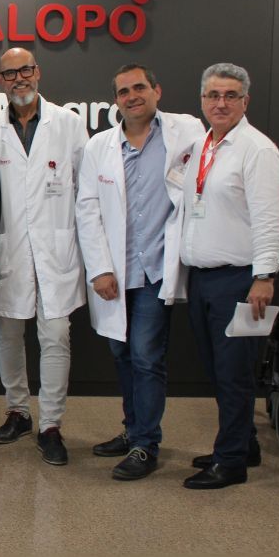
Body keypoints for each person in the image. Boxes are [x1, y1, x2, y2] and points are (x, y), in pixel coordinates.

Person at [75, 64, 203, 481]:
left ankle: (145, 444)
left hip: (156, 271)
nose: (132, 96)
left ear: (156, 91)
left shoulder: (186, 132)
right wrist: (99, 269)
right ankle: (133, 430)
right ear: (116, 100)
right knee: (122, 354)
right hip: (116, 270)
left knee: (147, 358)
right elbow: (88, 210)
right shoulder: (100, 146)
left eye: (139, 88)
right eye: (123, 91)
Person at [0, 47, 88, 466]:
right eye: (9, 74)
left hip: (58, 249)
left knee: (56, 335)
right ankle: (18, 411)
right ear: (0, 81)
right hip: (9, 250)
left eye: (25, 70)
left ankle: (52, 425)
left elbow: (87, 191)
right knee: (8, 334)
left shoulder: (70, 125)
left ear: (37, 72)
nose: (18, 79)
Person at [179, 63, 279, 490]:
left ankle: (231, 463)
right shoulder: (205, 144)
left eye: (229, 96)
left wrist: (264, 276)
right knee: (217, 369)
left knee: (234, 373)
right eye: (212, 96)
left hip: (241, 280)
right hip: (202, 279)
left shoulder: (256, 150)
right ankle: (244, 445)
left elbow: (271, 217)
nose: (220, 103)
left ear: (245, 101)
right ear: (202, 100)